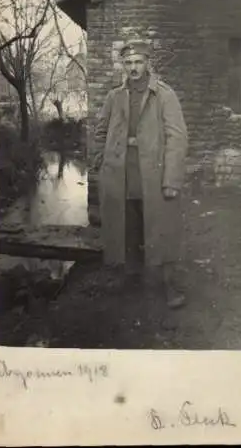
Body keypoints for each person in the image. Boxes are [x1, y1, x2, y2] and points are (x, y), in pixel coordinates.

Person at [93, 39, 188, 310]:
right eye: (128, 63)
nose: (133, 68)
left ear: (148, 63)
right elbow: (101, 132)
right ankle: (130, 276)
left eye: (138, 62)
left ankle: (169, 285)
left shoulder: (164, 95)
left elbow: (177, 138)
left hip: (153, 176)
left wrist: (171, 180)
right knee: (127, 228)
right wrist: (102, 162)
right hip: (121, 175)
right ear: (123, 66)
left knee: (162, 230)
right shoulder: (114, 97)